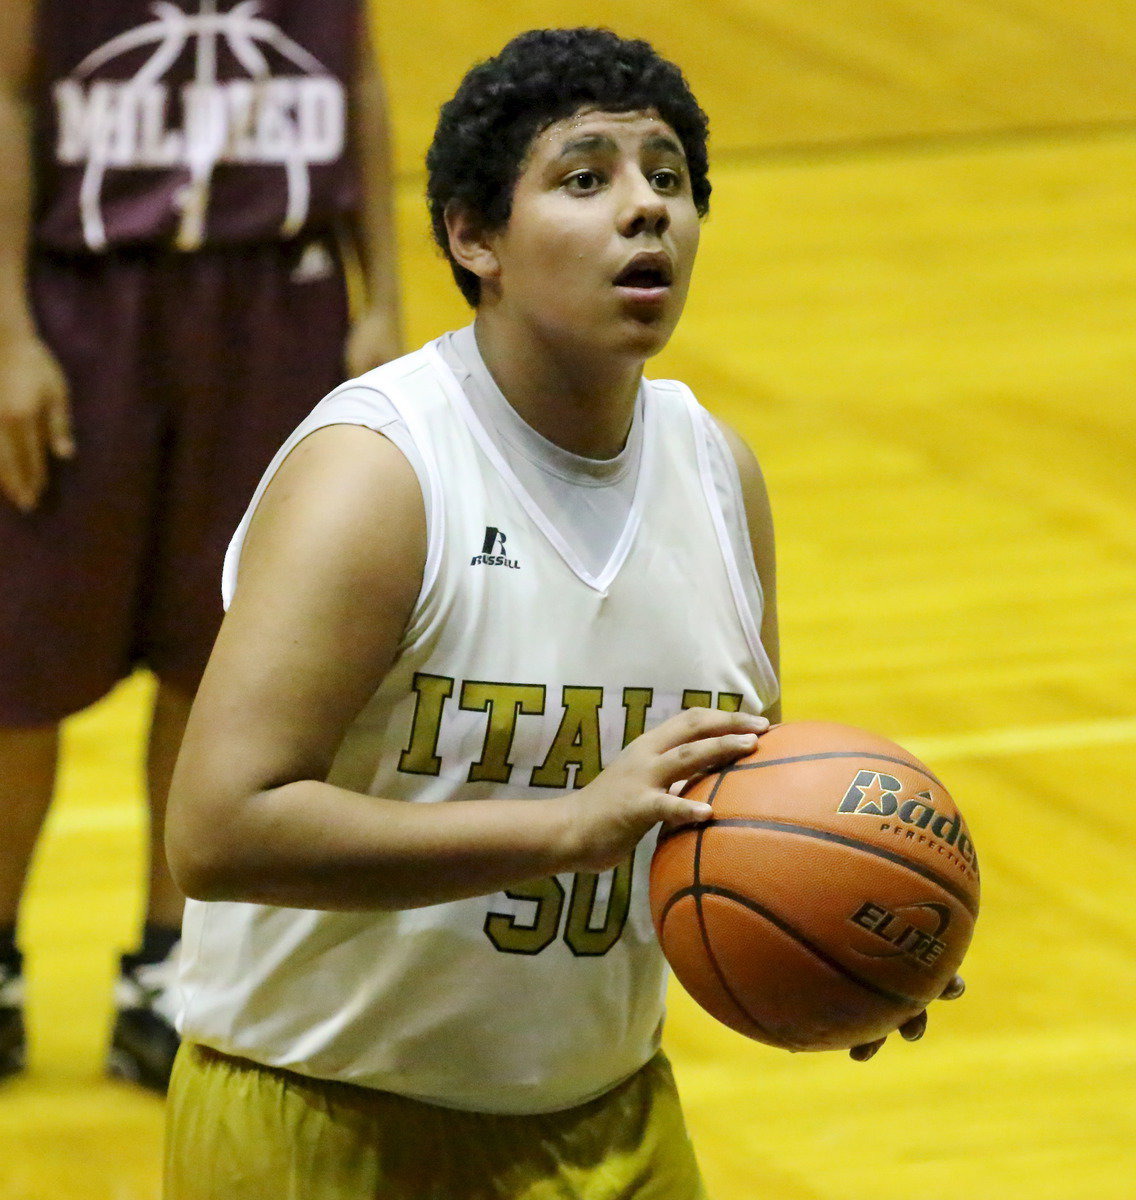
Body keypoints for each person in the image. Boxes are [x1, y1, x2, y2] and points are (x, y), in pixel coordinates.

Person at [163, 27, 959, 1199]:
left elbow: (727, 815)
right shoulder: (379, 474)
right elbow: (218, 828)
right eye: (584, 179)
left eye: (667, 179)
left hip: (611, 1118)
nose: (645, 209)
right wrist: (562, 827)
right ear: (473, 237)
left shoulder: (716, 473)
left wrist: (853, 929)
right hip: (324, 1118)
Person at [0, 0, 402, 1092]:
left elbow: (359, 85)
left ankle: (167, 960)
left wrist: (382, 299)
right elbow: (10, 95)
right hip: (86, 300)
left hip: (277, 299)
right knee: (20, 662)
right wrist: (11, 332)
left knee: (222, 646)